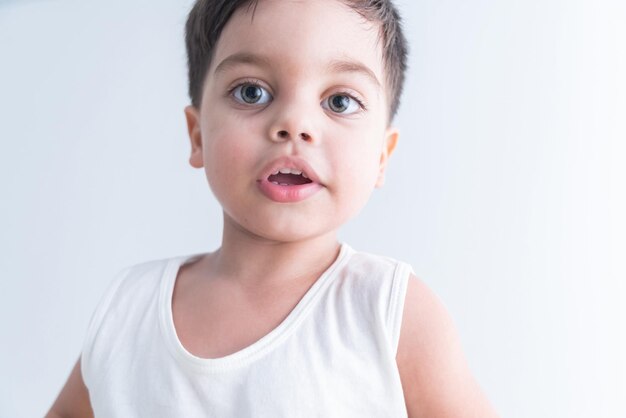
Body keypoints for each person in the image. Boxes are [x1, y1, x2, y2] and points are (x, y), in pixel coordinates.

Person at [47, 0, 498, 416]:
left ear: (382, 155)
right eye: (251, 93)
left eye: (339, 101)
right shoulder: (129, 308)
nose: (295, 124)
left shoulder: (389, 310)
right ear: (198, 133)